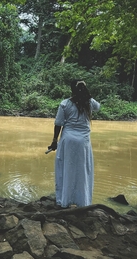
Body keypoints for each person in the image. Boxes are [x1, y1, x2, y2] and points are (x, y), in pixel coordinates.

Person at [48, 79, 100, 208]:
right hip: (83, 142)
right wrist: (86, 92)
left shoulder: (65, 104)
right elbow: (98, 107)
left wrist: (54, 141)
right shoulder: (89, 103)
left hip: (68, 140)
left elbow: (58, 123)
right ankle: (82, 201)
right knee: (82, 171)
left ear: (72, 90)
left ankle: (65, 201)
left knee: (66, 169)